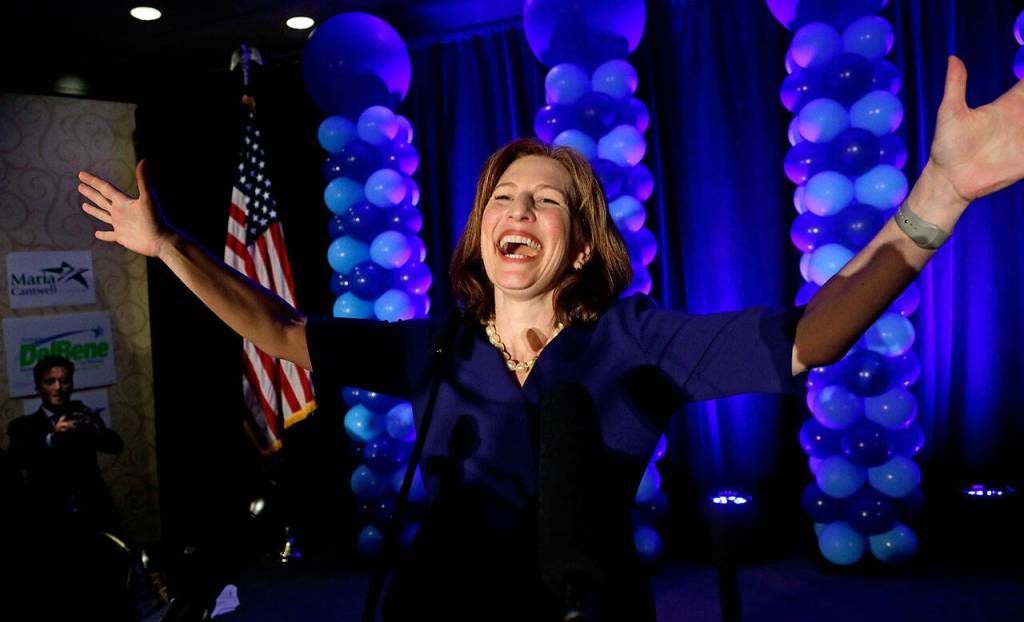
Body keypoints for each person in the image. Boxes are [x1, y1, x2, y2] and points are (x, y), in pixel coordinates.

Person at [77, 56, 1024, 620]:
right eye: (502, 196)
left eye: (545, 201)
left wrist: (935, 199)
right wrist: (167, 247)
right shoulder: (434, 347)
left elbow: (808, 339)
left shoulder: (637, 342)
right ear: (481, 229)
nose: (516, 209)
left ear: (580, 245)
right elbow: (282, 331)